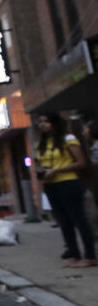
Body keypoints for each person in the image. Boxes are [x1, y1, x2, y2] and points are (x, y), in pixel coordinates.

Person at [35, 113, 96, 268]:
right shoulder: (41, 144)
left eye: (46, 121)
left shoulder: (68, 139)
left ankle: (90, 256)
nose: (42, 125)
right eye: (40, 122)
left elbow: (81, 162)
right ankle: (74, 255)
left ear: (55, 123)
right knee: (63, 221)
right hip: (50, 184)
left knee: (78, 218)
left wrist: (57, 170)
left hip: (68, 182)